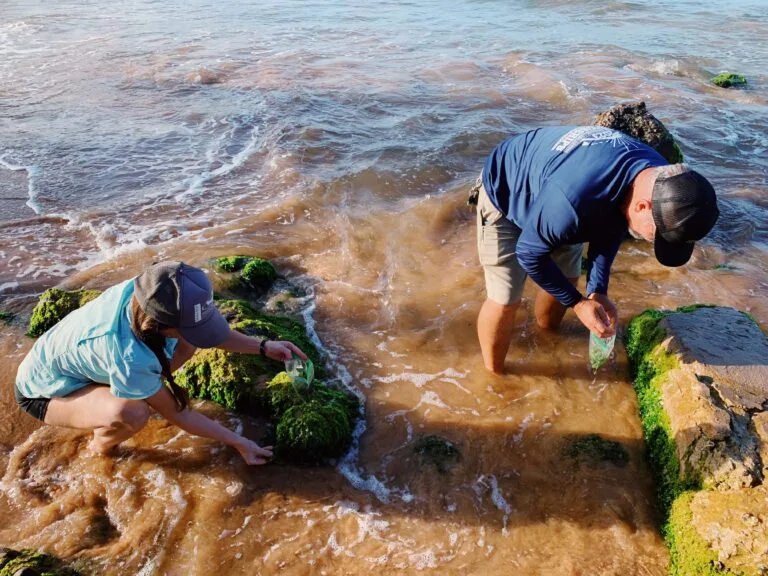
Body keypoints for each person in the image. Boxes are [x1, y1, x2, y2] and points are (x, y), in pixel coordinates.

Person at [470, 126, 719, 374]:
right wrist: (578, 303)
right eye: (655, 236)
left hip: (561, 192)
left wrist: (597, 290)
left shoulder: (662, 178)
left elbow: (614, 224)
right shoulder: (573, 201)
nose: (650, 241)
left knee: (567, 278)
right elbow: (528, 253)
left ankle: (546, 333)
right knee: (505, 297)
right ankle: (496, 375)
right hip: (507, 186)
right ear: (643, 207)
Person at [14, 261, 307, 464]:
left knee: (184, 348)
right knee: (133, 412)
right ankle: (98, 449)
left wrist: (264, 347)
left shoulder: (154, 288)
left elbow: (213, 334)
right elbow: (178, 414)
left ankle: (131, 393)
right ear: (159, 325)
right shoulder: (129, 355)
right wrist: (240, 443)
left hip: (84, 361)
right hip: (44, 392)